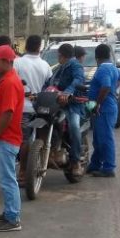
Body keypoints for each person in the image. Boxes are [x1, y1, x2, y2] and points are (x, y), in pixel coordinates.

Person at [0, 45, 25, 232]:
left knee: (8, 180)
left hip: (6, 138)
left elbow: (7, 113)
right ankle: (9, 213)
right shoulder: (8, 80)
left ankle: (13, 218)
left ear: (6, 62)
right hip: (7, 137)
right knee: (6, 179)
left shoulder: (9, 82)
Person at [13, 35, 53, 183]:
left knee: (23, 141)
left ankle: (23, 172)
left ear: (26, 46)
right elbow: (49, 87)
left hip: (22, 108)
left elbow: (12, 84)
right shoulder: (46, 66)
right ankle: (40, 163)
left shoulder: (17, 63)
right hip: (41, 109)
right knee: (40, 138)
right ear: (39, 48)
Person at [87, 43, 120, 177]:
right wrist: (115, 90)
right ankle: (95, 164)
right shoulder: (112, 67)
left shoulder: (103, 69)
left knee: (105, 139)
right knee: (98, 139)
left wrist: (97, 104)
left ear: (97, 57)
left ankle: (109, 168)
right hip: (106, 108)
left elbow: (106, 86)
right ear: (108, 55)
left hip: (104, 109)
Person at [50, 43, 86, 177]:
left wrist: (68, 92)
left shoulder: (75, 65)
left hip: (73, 105)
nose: (57, 57)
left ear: (62, 55)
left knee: (74, 127)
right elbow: (50, 83)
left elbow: (78, 80)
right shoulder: (59, 68)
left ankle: (75, 161)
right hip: (57, 104)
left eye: (58, 55)